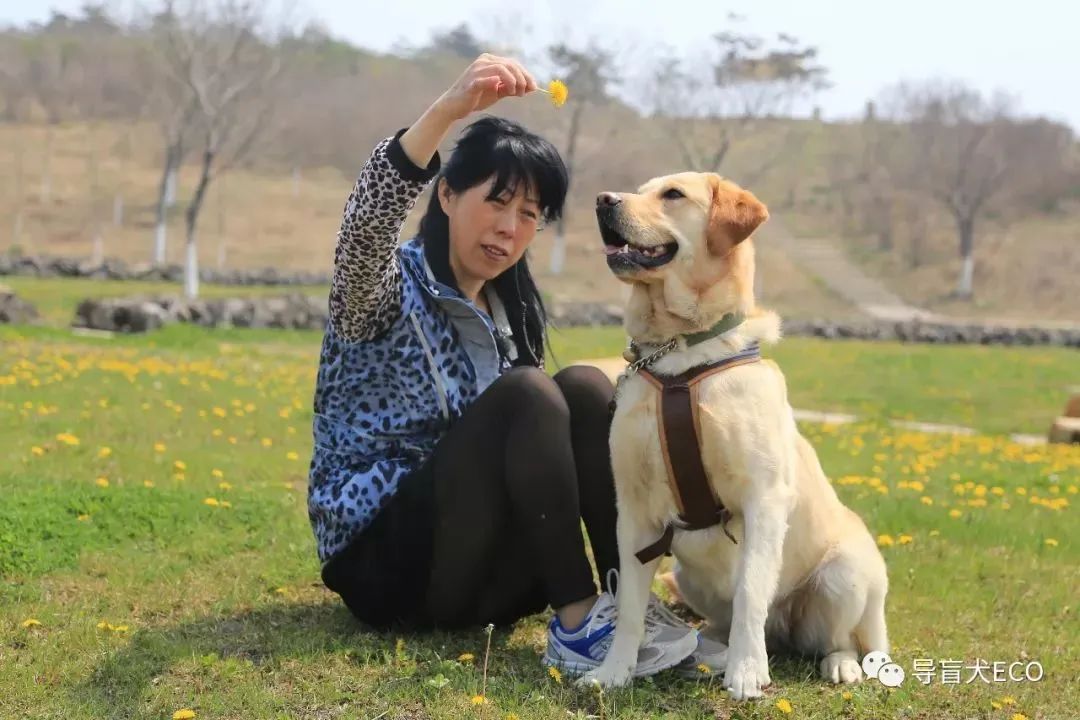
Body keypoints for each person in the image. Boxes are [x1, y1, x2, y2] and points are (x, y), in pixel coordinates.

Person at [308, 53, 701, 677]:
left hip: (480, 574)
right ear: (446, 194)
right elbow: (365, 230)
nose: (510, 228)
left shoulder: (507, 311)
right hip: (387, 568)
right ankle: (577, 624)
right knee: (528, 394)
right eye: (497, 202)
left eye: (528, 215)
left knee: (583, 386)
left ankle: (628, 606)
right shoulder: (381, 292)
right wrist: (449, 110)